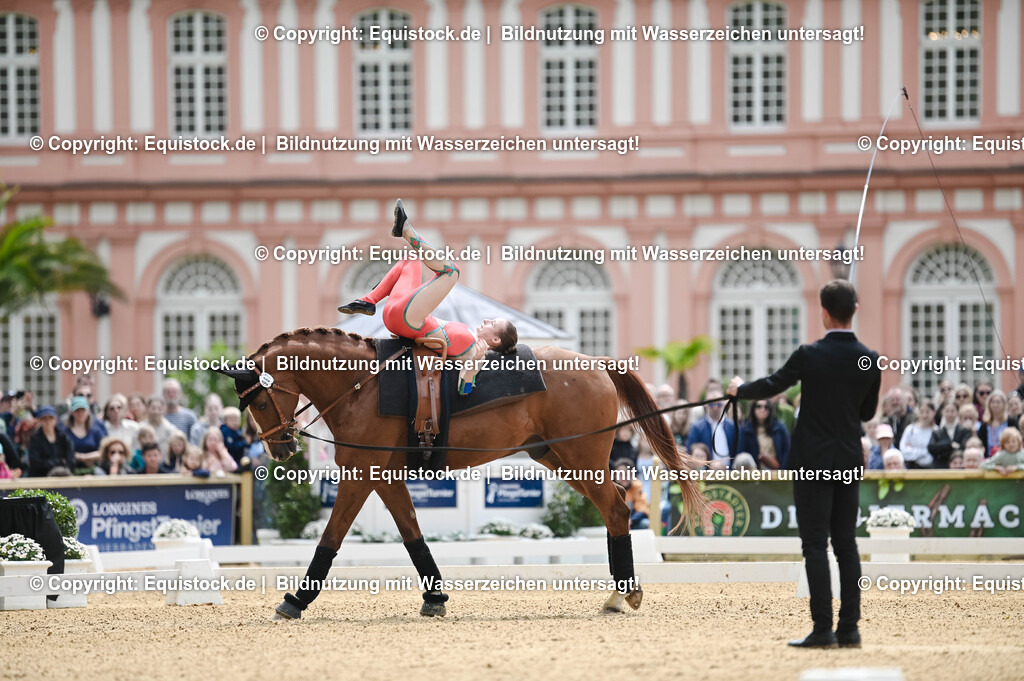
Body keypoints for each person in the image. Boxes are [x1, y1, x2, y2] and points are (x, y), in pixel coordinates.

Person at [727, 280, 880, 649]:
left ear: (823, 312)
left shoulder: (809, 354)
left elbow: (772, 385)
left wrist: (739, 389)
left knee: (815, 544)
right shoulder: (870, 359)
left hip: (812, 461)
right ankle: (850, 629)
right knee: (847, 544)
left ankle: (823, 629)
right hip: (846, 458)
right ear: (855, 310)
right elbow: (867, 412)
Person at [338, 199, 518, 394]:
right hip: (401, 317)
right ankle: (369, 301)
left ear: (496, 340)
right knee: (411, 260)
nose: (486, 320)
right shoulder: (471, 337)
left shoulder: (477, 354)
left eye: (492, 324)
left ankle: (407, 231)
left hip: (407, 320)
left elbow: (463, 390)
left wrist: (473, 366)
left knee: (452, 272)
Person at [685, 383, 736, 465]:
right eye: (711, 404)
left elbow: (739, 450)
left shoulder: (733, 426)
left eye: (718, 404)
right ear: (705, 405)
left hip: (731, 473)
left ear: (723, 404)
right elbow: (690, 452)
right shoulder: (697, 427)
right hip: (706, 472)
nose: (715, 407)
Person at [738, 399, 790, 469]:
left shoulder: (779, 428)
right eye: (759, 406)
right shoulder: (746, 430)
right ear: (753, 409)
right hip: (754, 473)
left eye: (766, 407)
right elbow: (742, 454)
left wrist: (782, 470)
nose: (763, 409)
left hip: (777, 471)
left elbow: (787, 451)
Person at [27, 406, 76, 477]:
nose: (48, 422)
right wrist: (58, 462)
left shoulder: (63, 437)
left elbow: (71, 459)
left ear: (56, 419)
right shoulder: (35, 439)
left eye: (51, 418)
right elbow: (35, 462)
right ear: (40, 421)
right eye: (44, 419)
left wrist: (64, 469)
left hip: (63, 476)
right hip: (41, 477)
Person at [64, 395, 108, 468]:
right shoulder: (65, 432)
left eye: (83, 410)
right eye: (77, 410)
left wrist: (85, 457)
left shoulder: (96, 430)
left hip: (94, 466)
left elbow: (104, 451)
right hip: (71, 467)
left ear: (88, 412)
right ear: (72, 412)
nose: (80, 413)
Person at [928, 401, 973, 468]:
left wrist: (942, 448)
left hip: (959, 467)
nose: (950, 414)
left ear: (957, 412)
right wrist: (950, 444)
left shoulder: (965, 431)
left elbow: (964, 447)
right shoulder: (936, 432)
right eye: (947, 411)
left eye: (952, 411)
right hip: (940, 467)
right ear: (942, 412)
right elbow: (931, 448)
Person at [611, 458, 649, 529]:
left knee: (645, 523)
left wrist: (630, 521)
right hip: (617, 523)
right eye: (620, 474)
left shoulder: (637, 486)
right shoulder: (612, 490)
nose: (623, 477)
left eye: (625, 474)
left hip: (633, 522)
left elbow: (642, 510)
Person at [897, 400, 935, 468]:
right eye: (922, 412)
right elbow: (904, 451)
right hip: (913, 468)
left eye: (927, 412)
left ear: (934, 412)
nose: (924, 415)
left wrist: (913, 449)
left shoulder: (937, 431)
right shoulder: (910, 429)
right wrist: (925, 452)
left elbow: (935, 453)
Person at [978, 390, 1010, 458]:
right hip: (990, 458)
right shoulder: (984, 425)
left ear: (1004, 404)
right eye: (993, 402)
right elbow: (982, 445)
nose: (995, 405)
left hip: (1008, 457)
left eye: (998, 402)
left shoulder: (1011, 421)